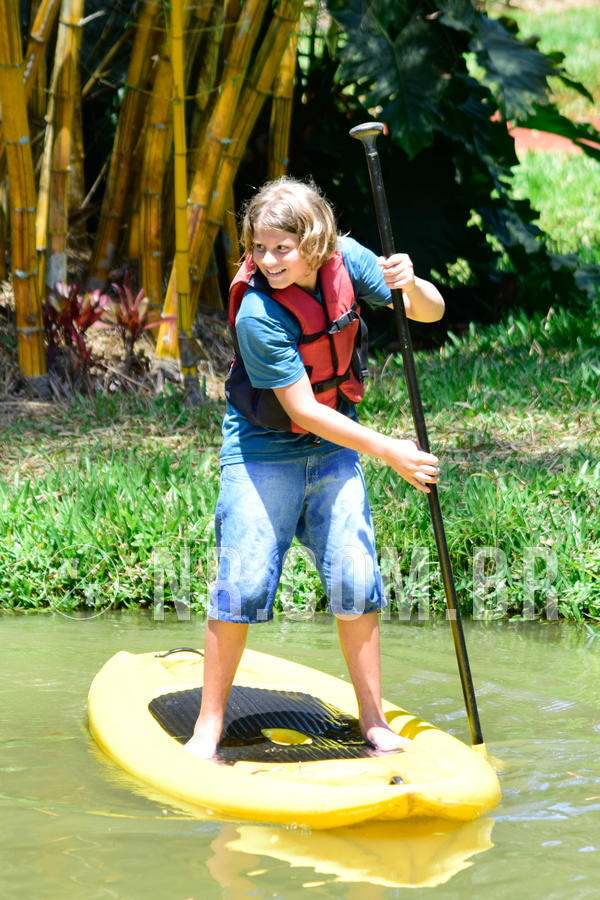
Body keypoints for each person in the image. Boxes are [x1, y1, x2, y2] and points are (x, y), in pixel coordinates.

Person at [185, 176, 444, 759]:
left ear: (317, 241)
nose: (269, 260)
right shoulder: (257, 312)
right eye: (259, 248)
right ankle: (208, 725)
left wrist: (412, 283)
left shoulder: (345, 260)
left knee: (356, 578)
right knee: (243, 584)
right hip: (263, 452)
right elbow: (302, 411)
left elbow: (429, 313)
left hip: (332, 451)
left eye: (283, 248)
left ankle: (374, 719)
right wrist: (390, 450)